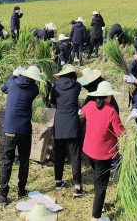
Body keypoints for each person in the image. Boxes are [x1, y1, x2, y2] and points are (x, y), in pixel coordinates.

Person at [0, 65, 43, 203]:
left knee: (6, 162)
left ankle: (3, 194)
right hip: (25, 129)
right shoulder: (34, 89)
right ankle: (21, 190)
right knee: (24, 160)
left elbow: (3, 89)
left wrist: (14, 75)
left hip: (10, 130)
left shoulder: (13, 83)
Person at [81, 81, 124, 221]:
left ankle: (100, 205)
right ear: (109, 96)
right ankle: (96, 217)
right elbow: (121, 133)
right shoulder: (111, 111)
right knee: (101, 185)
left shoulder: (90, 105)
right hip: (103, 154)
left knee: (97, 178)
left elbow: (82, 112)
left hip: (89, 150)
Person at [50, 65, 85, 196]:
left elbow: (53, 102)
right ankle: (77, 187)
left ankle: (58, 182)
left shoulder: (55, 85)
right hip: (72, 121)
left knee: (59, 153)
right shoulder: (77, 86)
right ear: (73, 75)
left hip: (59, 121)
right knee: (75, 155)